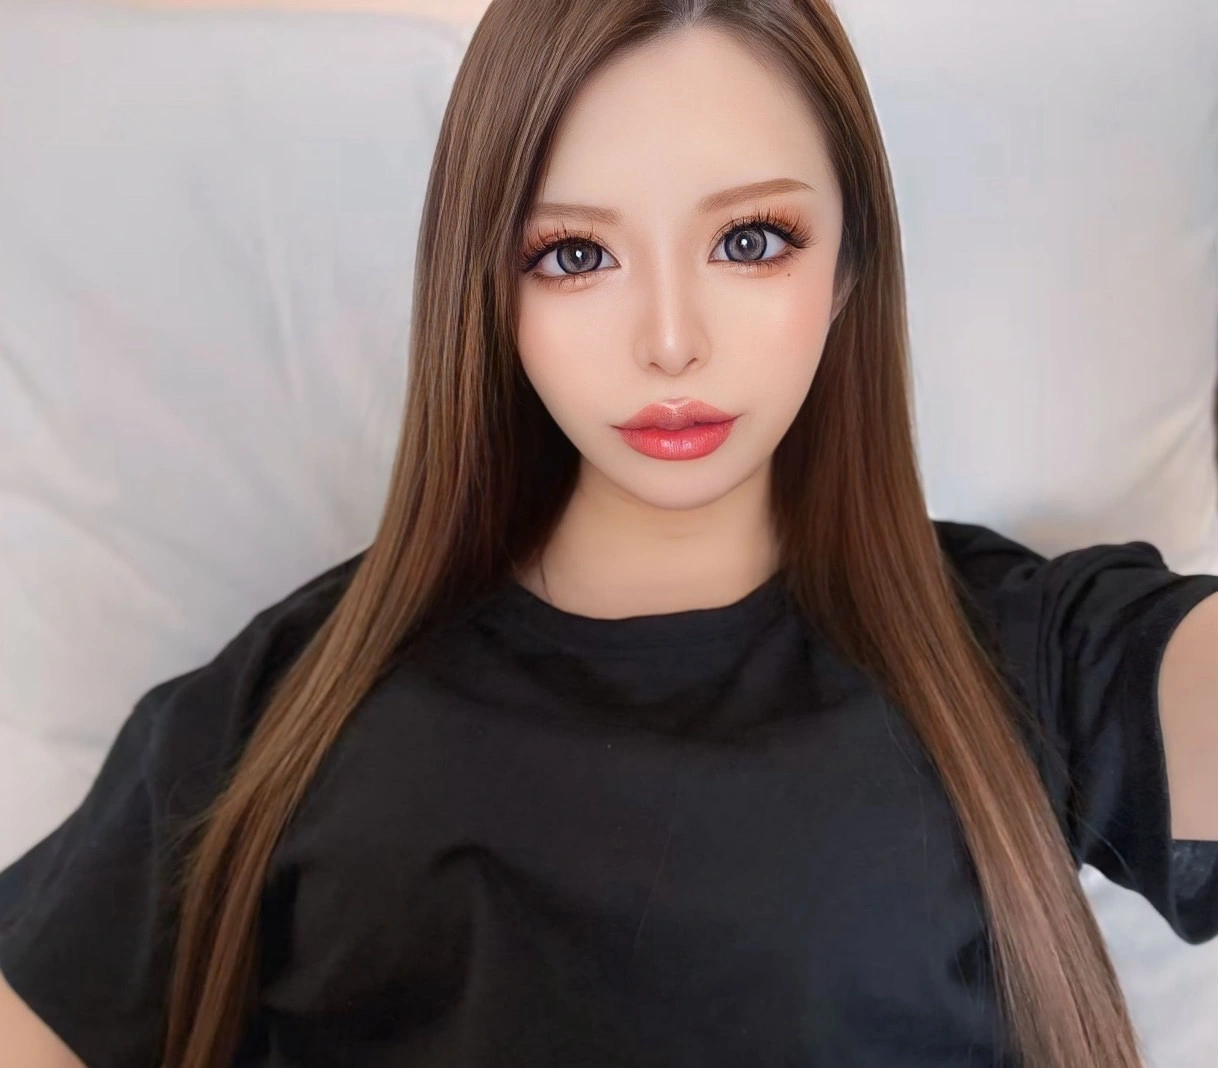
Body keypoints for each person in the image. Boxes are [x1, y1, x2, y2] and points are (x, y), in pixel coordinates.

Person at [1, 1, 1216, 1065]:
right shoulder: (293, 704)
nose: (670, 340)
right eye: (575, 254)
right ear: (490, 291)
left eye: (751, 241)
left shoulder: (1024, 654)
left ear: (849, 267)